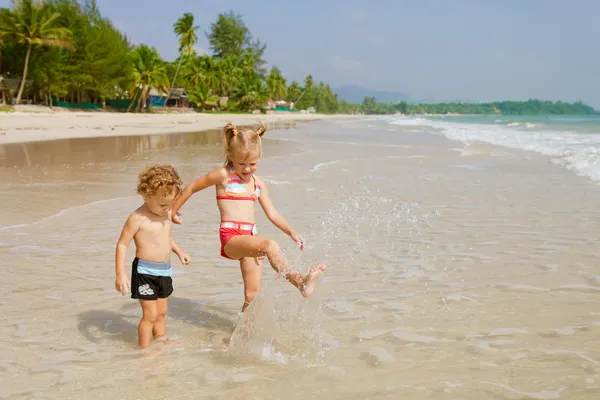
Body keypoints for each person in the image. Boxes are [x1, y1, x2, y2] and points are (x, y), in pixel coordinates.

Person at [171, 121, 325, 312]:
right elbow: (192, 187)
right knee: (270, 246)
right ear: (231, 157)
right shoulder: (223, 175)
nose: (246, 169)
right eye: (241, 164)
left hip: (250, 237)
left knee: (253, 297)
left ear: (259, 157)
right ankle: (300, 282)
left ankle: (242, 337)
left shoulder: (257, 184)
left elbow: (272, 213)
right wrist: (172, 211)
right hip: (231, 238)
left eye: (252, 164)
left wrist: (291, 231)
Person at [115, 164, 191, 349]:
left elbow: (165, 237)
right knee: (149, 315)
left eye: (171, 203)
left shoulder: (166, 212)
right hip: (144, 272)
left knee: (162, 311)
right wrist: (120, 274)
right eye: (163, 204)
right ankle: (144, 350)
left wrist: (179, 251)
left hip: (164, 270)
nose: (167, 209)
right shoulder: (137, 218)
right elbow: (122, 244)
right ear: (146, 195)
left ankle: (161, 338)